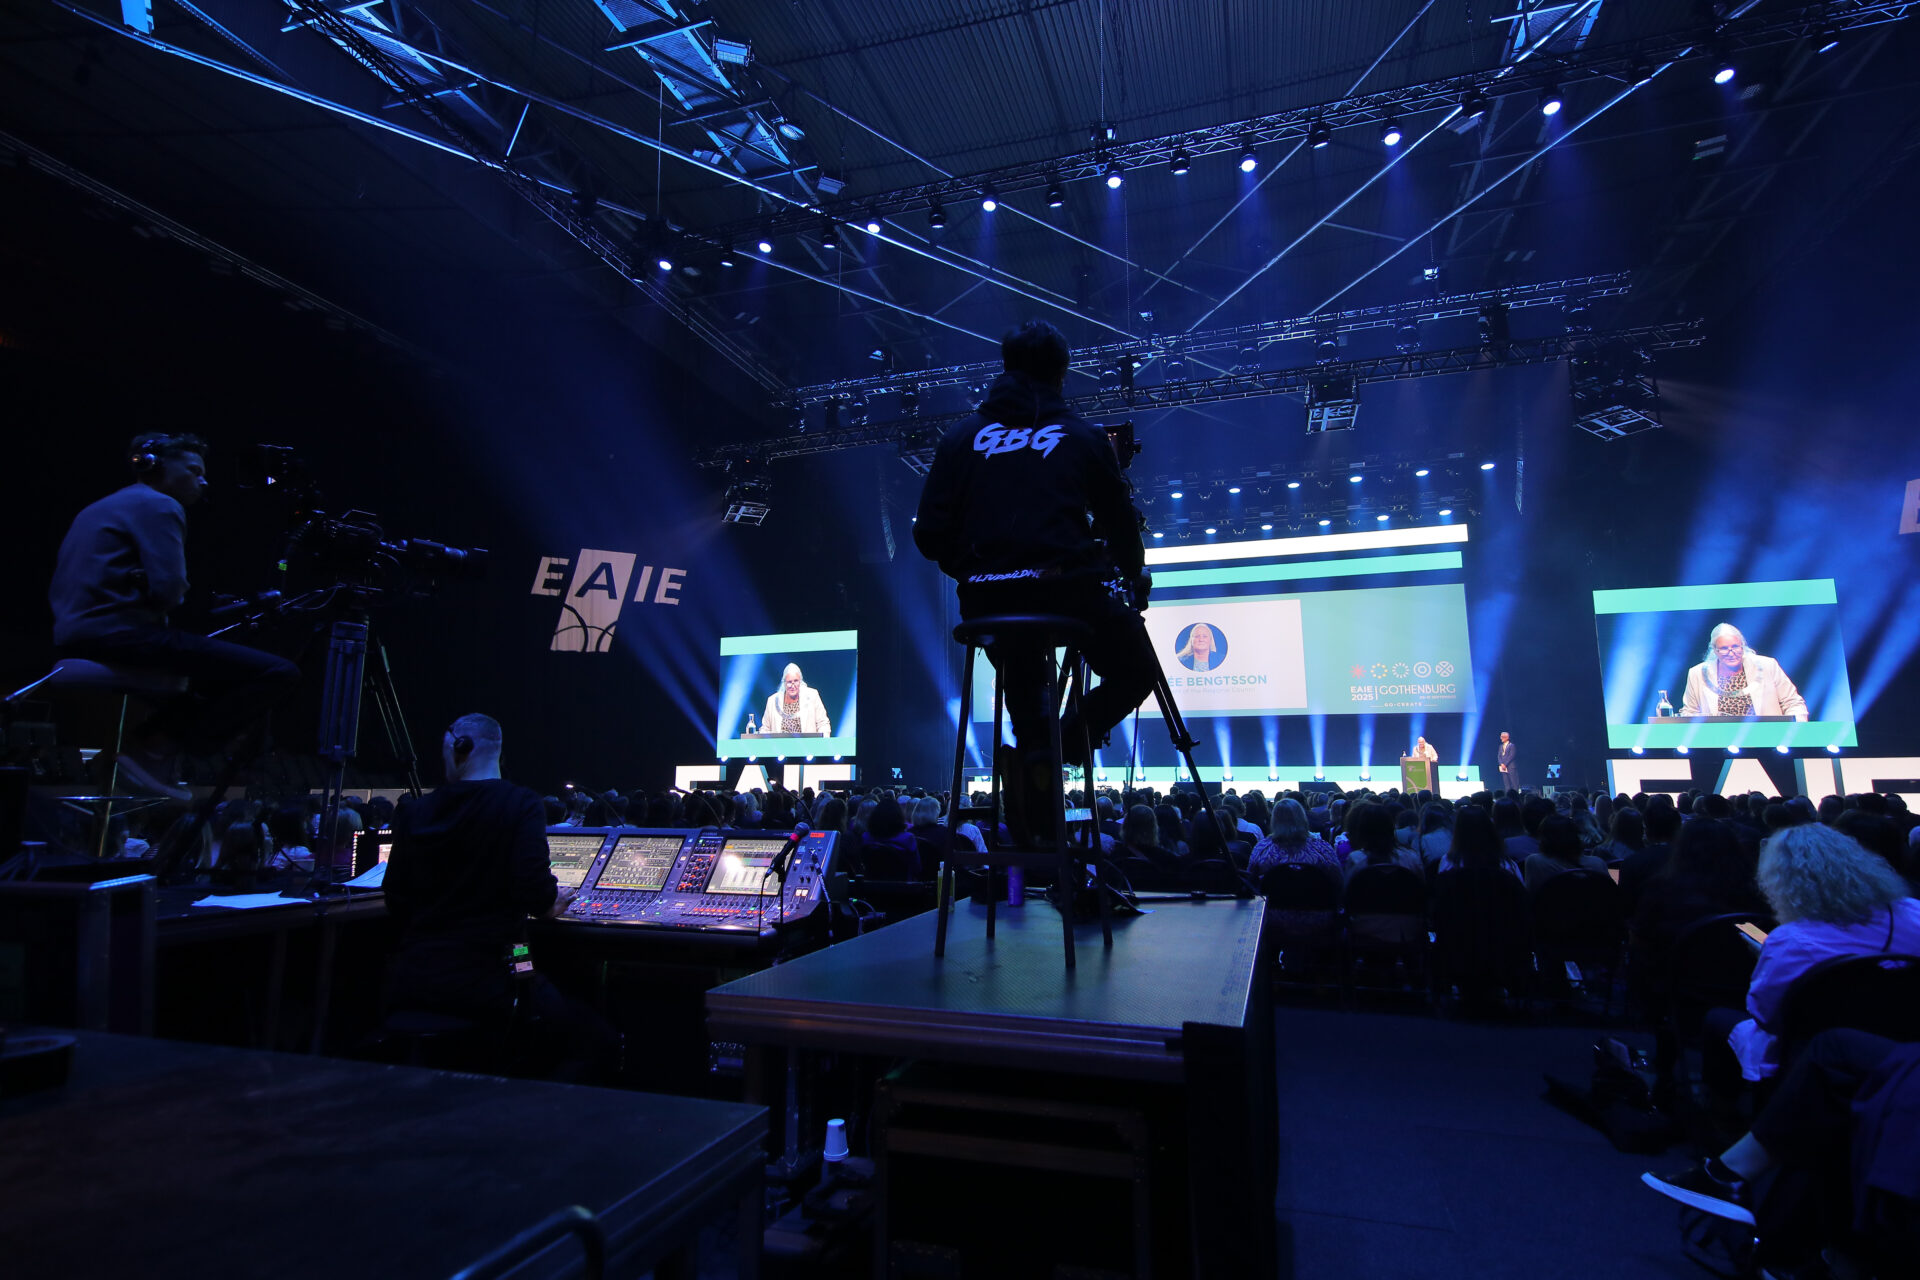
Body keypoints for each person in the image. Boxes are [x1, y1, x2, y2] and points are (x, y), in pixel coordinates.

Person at [913, 320, 1158, 833]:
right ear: (1062, 375)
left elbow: (930, 535)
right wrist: (1134, 576)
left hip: (990, 604)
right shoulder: (1084, 437)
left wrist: (978, 569)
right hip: (1066, 593)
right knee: (1138, 670)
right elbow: (1119, 526)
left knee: (1023, 675)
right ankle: (1064, 744)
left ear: (1004, 367)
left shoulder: (960, 438)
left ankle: (1037, 788)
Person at [49, 432, 299, 798]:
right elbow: (170, 589)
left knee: (214, 675)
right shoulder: (160, 506)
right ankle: (154, 750)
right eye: (194, 470)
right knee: (279, 672)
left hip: (77, 631)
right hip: (121, 633)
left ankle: (150, 747)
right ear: (156, 466)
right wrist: (160, 588)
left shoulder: (100, 507)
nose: (204, 480)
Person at [382, 713, 613, 1081]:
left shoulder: (414, 811)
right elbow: (535, 896)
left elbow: (395, 896)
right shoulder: (519, 804)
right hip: (496, 974)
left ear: (461, 748)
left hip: (414, 976)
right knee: (595, 1041)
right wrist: (552, 903)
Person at [1709, 824, 1920, 1088]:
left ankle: (1724, 1113)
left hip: (1816, 1053)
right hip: (1907, 1043)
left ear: (1779, 880)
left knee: (1716, 1017)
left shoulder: (1791, 941)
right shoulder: (1914, 913)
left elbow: (1765, 1015)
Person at [1679, 623, 1808, 721]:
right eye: (1724, 648)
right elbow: (1690, 712)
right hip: (1719, 740)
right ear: (1715, 650)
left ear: (1742, 646)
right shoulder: (1697, 673)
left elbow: (1793, 702)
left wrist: (1794, 731)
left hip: (1766, 739)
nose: (1731, 653)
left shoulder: (1767, 665)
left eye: (1735, 646)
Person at [760, 663, 832, 736]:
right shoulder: (772, 701)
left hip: (807, 746)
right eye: (789, 682)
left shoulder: (812, 696)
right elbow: (765, 728)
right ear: (784, 683)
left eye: (796, 681)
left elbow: (823, 723)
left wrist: (823, 743)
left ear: (800, 681)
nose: (793, 685)